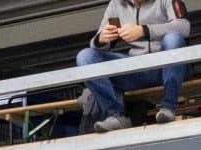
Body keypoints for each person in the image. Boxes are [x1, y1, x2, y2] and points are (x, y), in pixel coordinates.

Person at [76, 1, 192, 132]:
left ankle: (168, 107)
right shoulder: (116, 4)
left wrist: (144, 30)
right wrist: (101, 39)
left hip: (168, 67)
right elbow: (98, 45)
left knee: (173, 39)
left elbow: (184, 26)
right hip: (136, 70)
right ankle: (115, 115)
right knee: (85, 56)